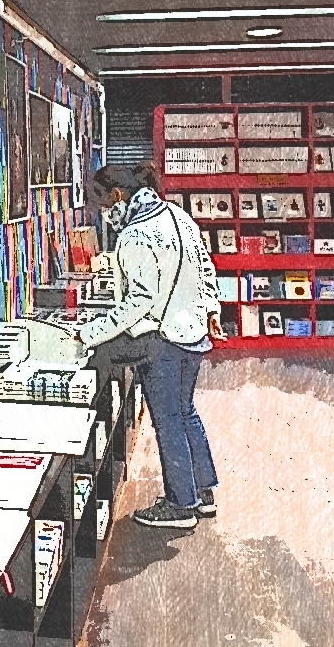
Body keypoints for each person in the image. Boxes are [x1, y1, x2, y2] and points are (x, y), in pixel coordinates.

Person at [76, 161, 226, 530]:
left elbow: (138, 301)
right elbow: (205, 267)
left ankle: (181, 506)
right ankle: (202, 493)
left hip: (162, 341)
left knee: (168, 420)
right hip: (193, 333)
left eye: (103, 205)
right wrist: (211, 309)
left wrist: (90, 333)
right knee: (185, 412)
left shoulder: (135, 235)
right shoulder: (178, 215)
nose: (105, 214)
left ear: (117, 195)